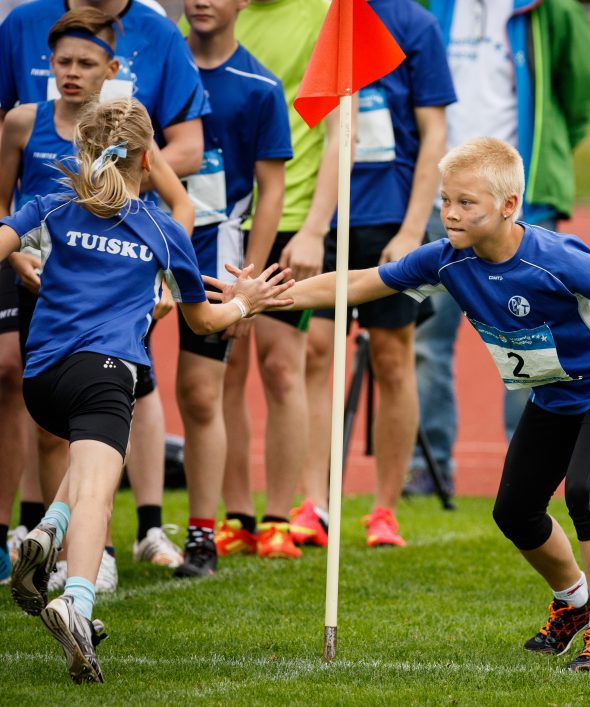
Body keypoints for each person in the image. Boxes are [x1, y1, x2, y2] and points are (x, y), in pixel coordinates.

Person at [226, 136, 590, 670]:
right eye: (445, 201)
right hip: (554, 394)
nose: (450, 214)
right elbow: (359, 281)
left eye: (466, 203)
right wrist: (262, 299)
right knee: (514, 510)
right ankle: (574, 601)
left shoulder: (553, 258)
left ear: (509, 207)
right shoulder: (447, 260)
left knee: (585, 490)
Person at [4, 96, 293, 684]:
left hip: (41, 379)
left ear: (81, 151)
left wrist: (20, 260)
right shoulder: (163, 230)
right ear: (147, 157)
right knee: (96, 491)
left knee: (92, 463)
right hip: (107, 373)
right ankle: (77, 604)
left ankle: (42, 534)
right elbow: (204, 323)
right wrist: (247, 301)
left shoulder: (52, 203)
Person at [0, 0, 210, 591]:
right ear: (47, 65)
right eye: (61, 60)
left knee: (104, 420)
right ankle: (68, 553)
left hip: (106, 310)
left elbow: (180, 201)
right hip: (59, 295)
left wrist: (162, 266)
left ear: (110, 68)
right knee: (93, 432)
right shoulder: (28, 128)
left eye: (85, 61)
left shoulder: (115, 149)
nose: (71, 71)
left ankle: (81, 534)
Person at [405, 0, 590, 495]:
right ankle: (430, 466)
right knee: (428, 339)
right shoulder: (432, 6)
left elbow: (577, 97)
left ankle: (532, 462)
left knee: (535, 337)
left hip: (521, 198)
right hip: (439, 194)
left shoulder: (552, 8)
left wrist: (542, 155)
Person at [297, 0, 454, 549]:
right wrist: (313, 226)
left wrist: (414, 230)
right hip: (335, 213)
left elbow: (435, 133)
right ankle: (312, 502)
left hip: (393, 217)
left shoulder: (417, 24)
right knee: (317, 349)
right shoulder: (332, 16)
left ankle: (384, 509)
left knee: (392, 356)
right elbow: (326, 126)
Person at [213, 0, 337, 561]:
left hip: (291, 223)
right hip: (224, 219)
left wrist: (314, 229)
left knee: (283, 367)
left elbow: (341, 134)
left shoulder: (322, 13)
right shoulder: (213, 18)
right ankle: (236, 516)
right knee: (225, 369)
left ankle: (279, 519)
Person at [172, 0, 291, 576]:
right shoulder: (155, 67)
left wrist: (250, 278)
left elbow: (272, 189)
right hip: (137, 249)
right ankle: (113, 533)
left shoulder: (259, 86)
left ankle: (200, 535)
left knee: (200, 393)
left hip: (215, 260)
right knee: (115, 381)